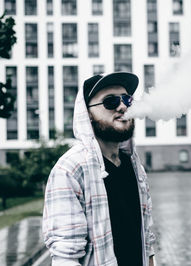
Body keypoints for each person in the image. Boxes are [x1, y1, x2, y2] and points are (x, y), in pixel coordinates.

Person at [42, 72, 156, 266]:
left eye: (127, 100)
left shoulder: (135, 167)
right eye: (110, 102)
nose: (122, 106)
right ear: (88, 115)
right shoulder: (70, 169)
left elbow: (147, 238)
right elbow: (66, 257)